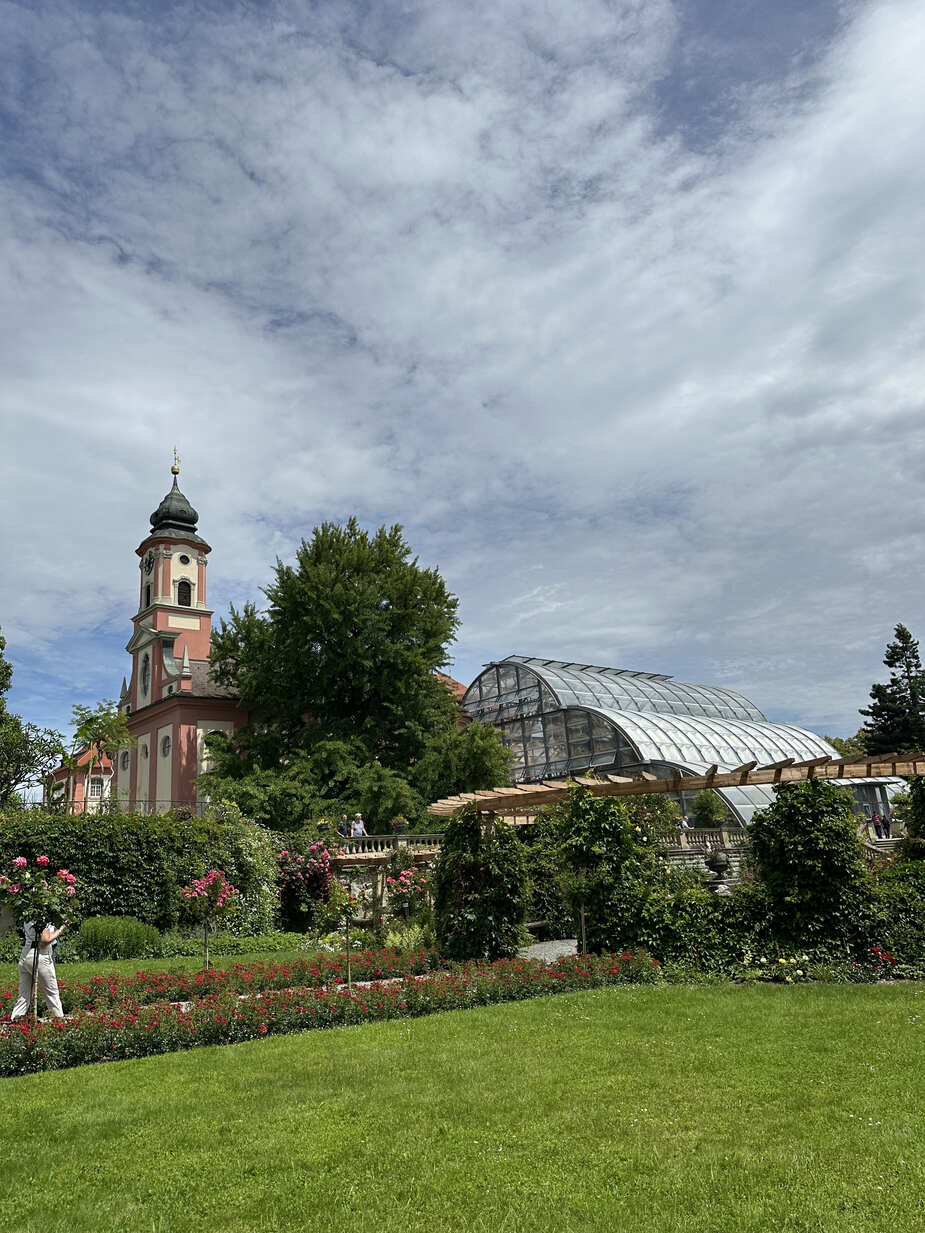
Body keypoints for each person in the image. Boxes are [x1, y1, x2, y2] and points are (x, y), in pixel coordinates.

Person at [10, 920, 68, 1020]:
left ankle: (15, 1021)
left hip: (25, 954)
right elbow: (45, 940)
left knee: (24, 995)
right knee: (51, 993)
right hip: (40, 956)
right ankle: (59, 1022)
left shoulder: (28, 916)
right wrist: (61, 929)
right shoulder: (41, 917)